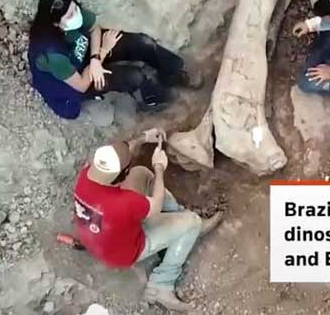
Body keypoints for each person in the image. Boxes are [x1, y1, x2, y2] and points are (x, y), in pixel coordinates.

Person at [73, 128, 223, 311]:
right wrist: (159, 168)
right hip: (124, 252)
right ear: (120, 176)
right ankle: (161, 285)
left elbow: (121, 151)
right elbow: (156, 205)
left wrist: (144, 137)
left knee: (141, 173)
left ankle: (178, 221)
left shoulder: (85, 175)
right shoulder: (124, 204)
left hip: (97, 237)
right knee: (193, 222)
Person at [27, 0, 203, 120]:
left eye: (75, 9)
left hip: (87, 57)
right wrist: (102, 52)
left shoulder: (72, 16)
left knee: (143, 43)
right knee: (133, 76)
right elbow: (80, 85)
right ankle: (152, 99)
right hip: (72, 83)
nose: (77, 14)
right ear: (57, 24)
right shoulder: (52, 53)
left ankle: (172, 72)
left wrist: (95, 59)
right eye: (70, 15)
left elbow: (94, 28)